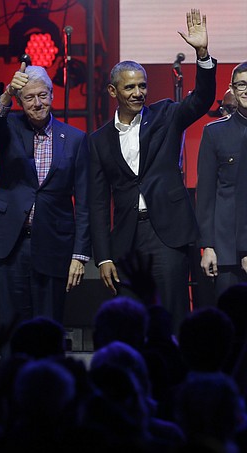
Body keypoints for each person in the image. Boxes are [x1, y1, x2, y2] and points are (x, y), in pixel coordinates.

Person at [87, 9, 216, 332]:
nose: (138, 93)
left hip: (167, 235)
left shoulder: (166, 115)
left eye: (142, 86)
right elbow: (99, 203)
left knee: (172, 316)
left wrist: (202, 54)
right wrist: (103, 257)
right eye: (129, 88)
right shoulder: (98, 140)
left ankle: (174, 377)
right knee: (130, 322)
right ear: (113, 92)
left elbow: (202, 99)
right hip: (128, 239)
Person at [0, 63, 90, 328]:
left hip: (53, 243)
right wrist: (6, 94)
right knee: (9, 325)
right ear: (19, 101)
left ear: (52, 95)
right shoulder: (10, 128)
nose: (37, 103)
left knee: (48, 326)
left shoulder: (75, 139)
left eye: (42, 95)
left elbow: (84, 202)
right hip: (11, 244)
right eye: (28, 97)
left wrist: (79, 255)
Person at [197, 62, 247, 299]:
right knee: (230, 325)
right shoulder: (214, 133)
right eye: (242, 85)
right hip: (226, 252)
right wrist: (207, 246)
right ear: (233, 89)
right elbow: (206, 196)